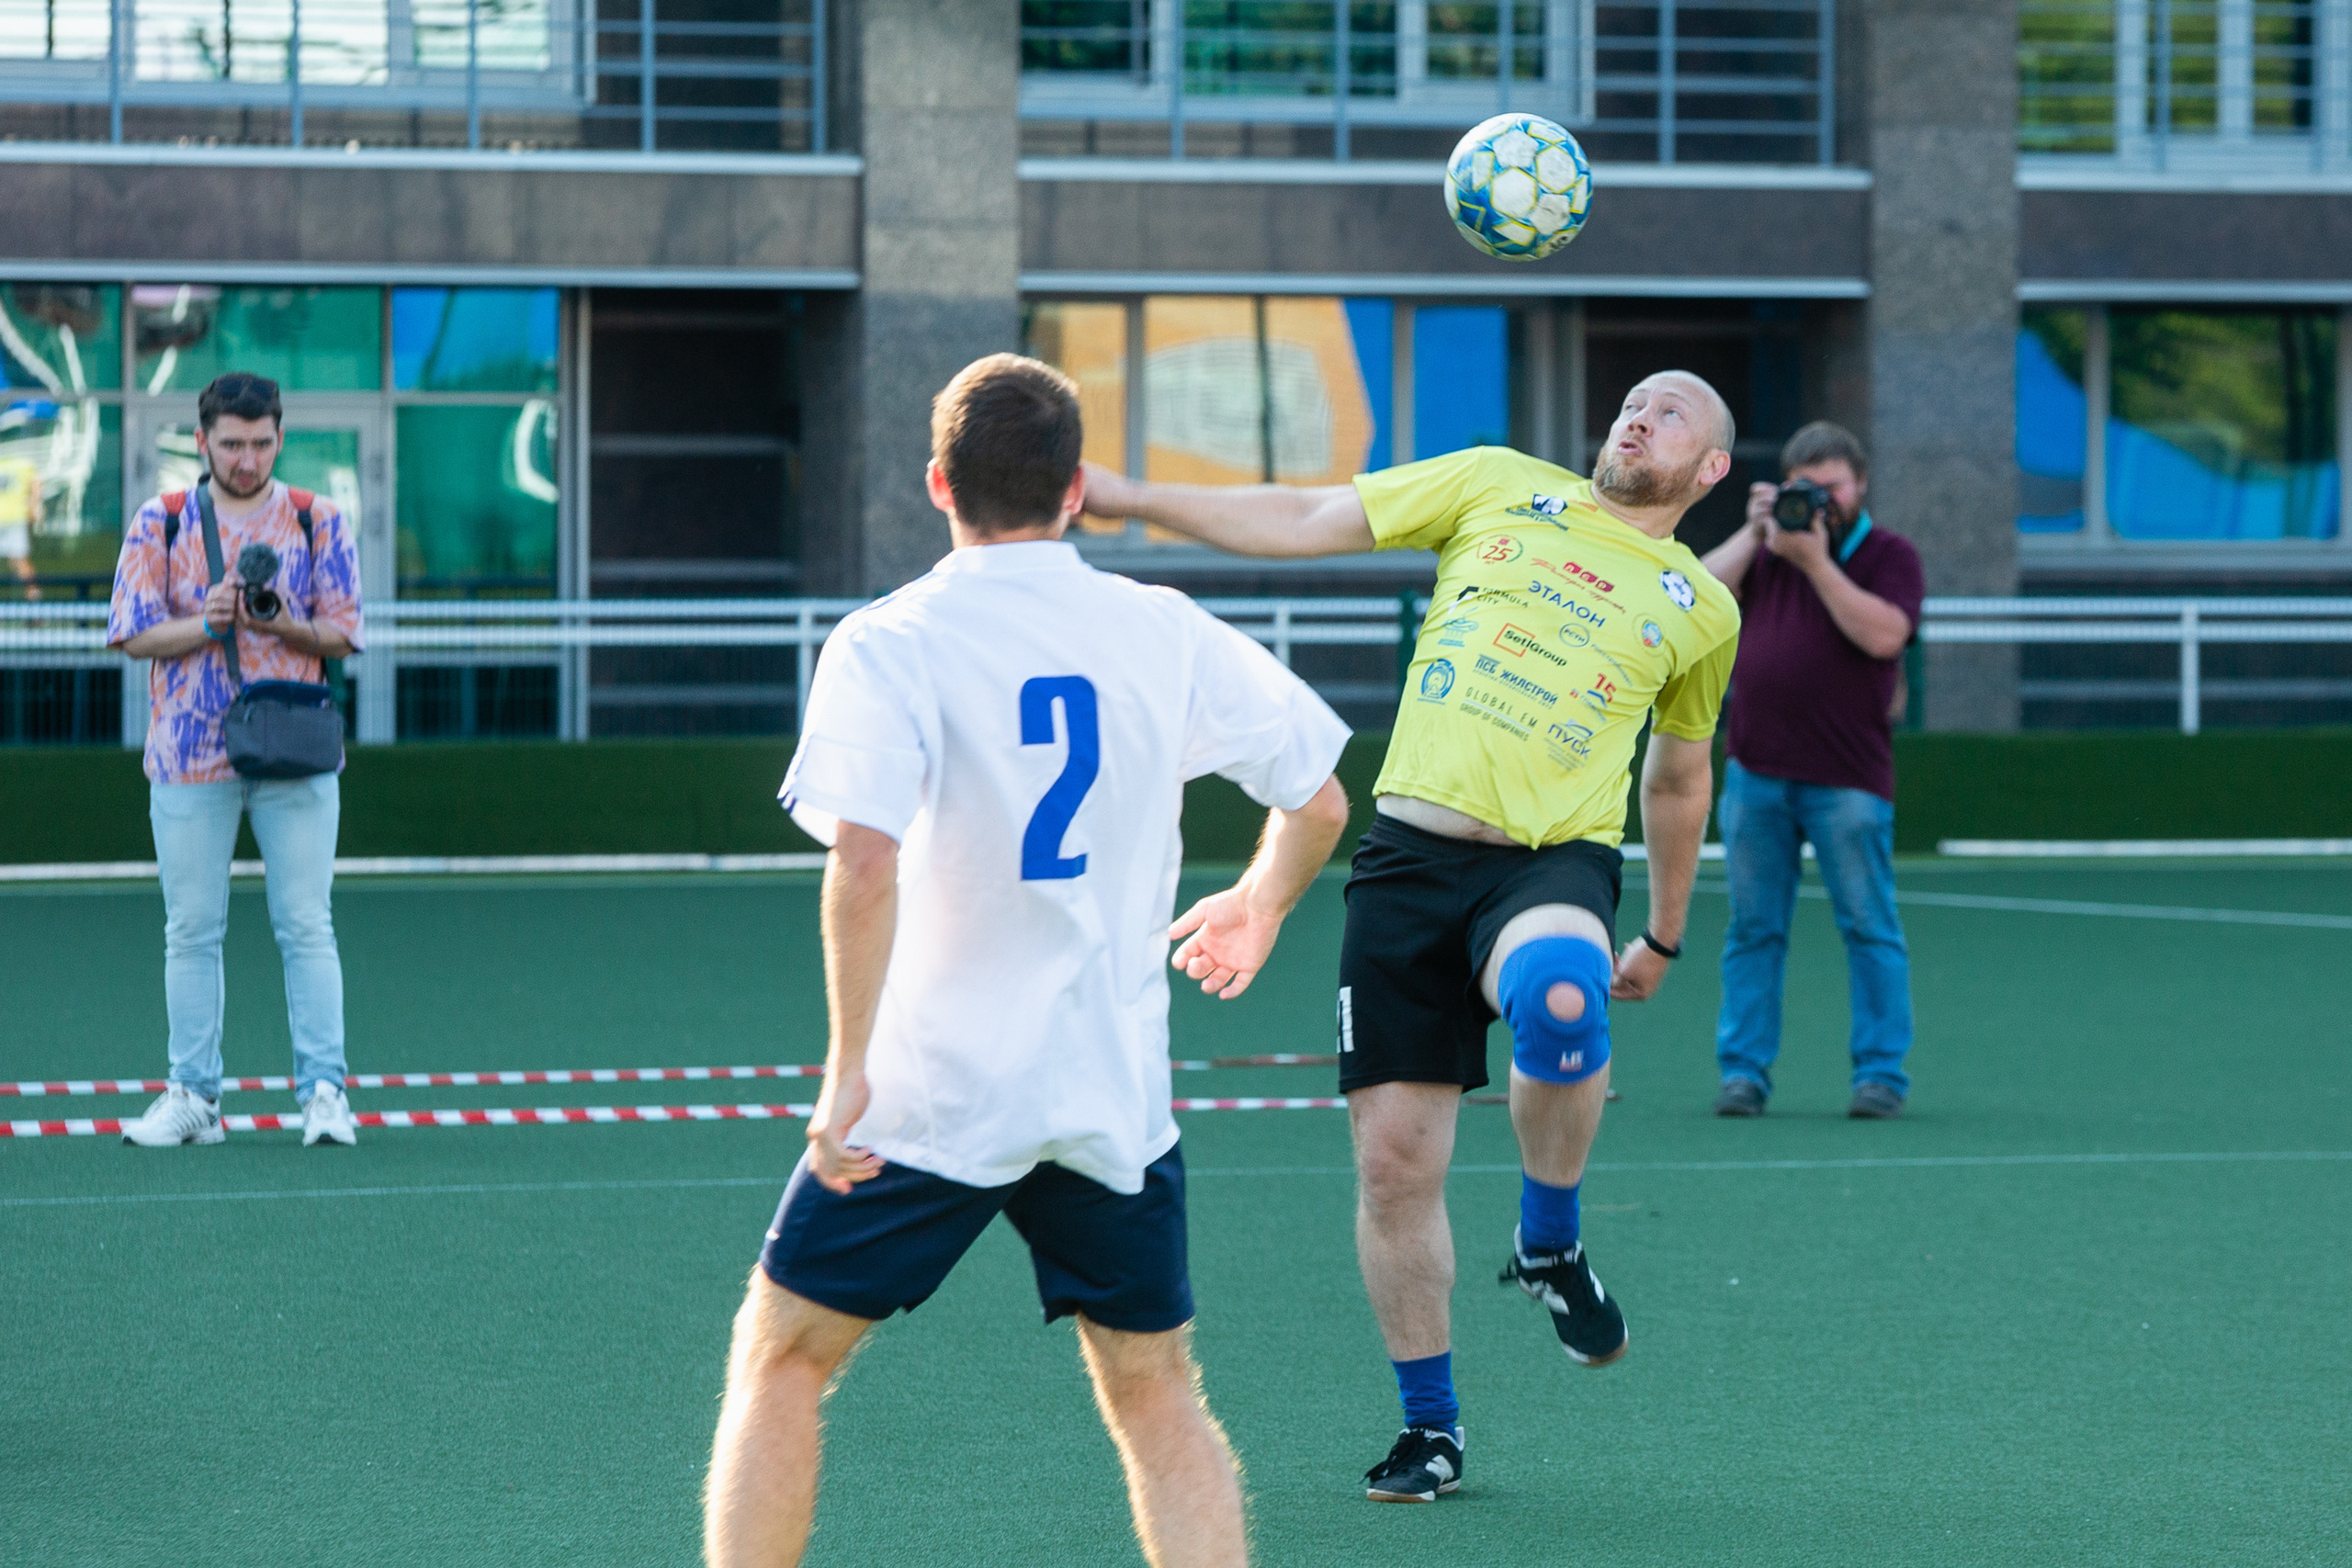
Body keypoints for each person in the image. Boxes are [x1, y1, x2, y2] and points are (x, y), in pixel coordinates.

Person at [703, 355, 1351, 1568]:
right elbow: (1318, 797)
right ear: (1076, 490)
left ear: (937, 483)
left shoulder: (888, 638)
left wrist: (845, 1067)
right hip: (1108, 1091)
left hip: (932, 1092)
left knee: (786, 1354)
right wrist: (1260, 904)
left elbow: (863, 864)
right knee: (1155, 1388)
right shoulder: (1160, 627)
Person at [1080, 370, 1742, 1505]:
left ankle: (1548, 1241)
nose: (1638, 414)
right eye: (1631, 399)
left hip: (1548, 862)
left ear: (1711, 469)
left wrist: (1666, 933)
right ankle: (1430, 1428)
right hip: (1404, 865)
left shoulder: (1699, 606)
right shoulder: (1495, 486)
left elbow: (1678, 781)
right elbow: (1308, 517)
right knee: (1395, 1172)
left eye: (1672, 412)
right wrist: (1129, 493)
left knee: (1563, 999)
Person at [106, 372, 364, 1149]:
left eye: (260, 443)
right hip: (187, 754)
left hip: (294, 751)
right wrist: (205, 620)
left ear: (280, 438)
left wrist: (285, 622)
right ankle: (193, 1096)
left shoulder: (319, 520)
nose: (246, 459)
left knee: (307, 924)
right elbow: (130, 632)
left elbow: (346, 631)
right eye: (231, 444)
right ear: (202, 441)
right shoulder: (164, 520)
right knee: (190, 928)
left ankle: (325, 1093)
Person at [1699, 421, 1924, 1119]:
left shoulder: (1888, 554)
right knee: (1752, 929)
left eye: (1833, 488)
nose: (1820, 502)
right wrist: (1755, 531)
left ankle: (1881, 1075)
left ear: (1860, 484)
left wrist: (1818, 560)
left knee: (1868, 925)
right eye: (1806, 489)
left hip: (1847, 779)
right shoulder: (1766, 551)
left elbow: (1885, 634)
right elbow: (1692, 595)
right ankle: (1743, 1073)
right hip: (1757, 771)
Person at [0, 446, 40, 598]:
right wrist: (33, 509)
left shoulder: (21, 463)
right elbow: (36, 485)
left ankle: (34, 600)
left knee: (19, 562)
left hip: (14, 518)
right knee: (20, 561)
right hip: (15, 518)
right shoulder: (24, 464)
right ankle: (34, 599)